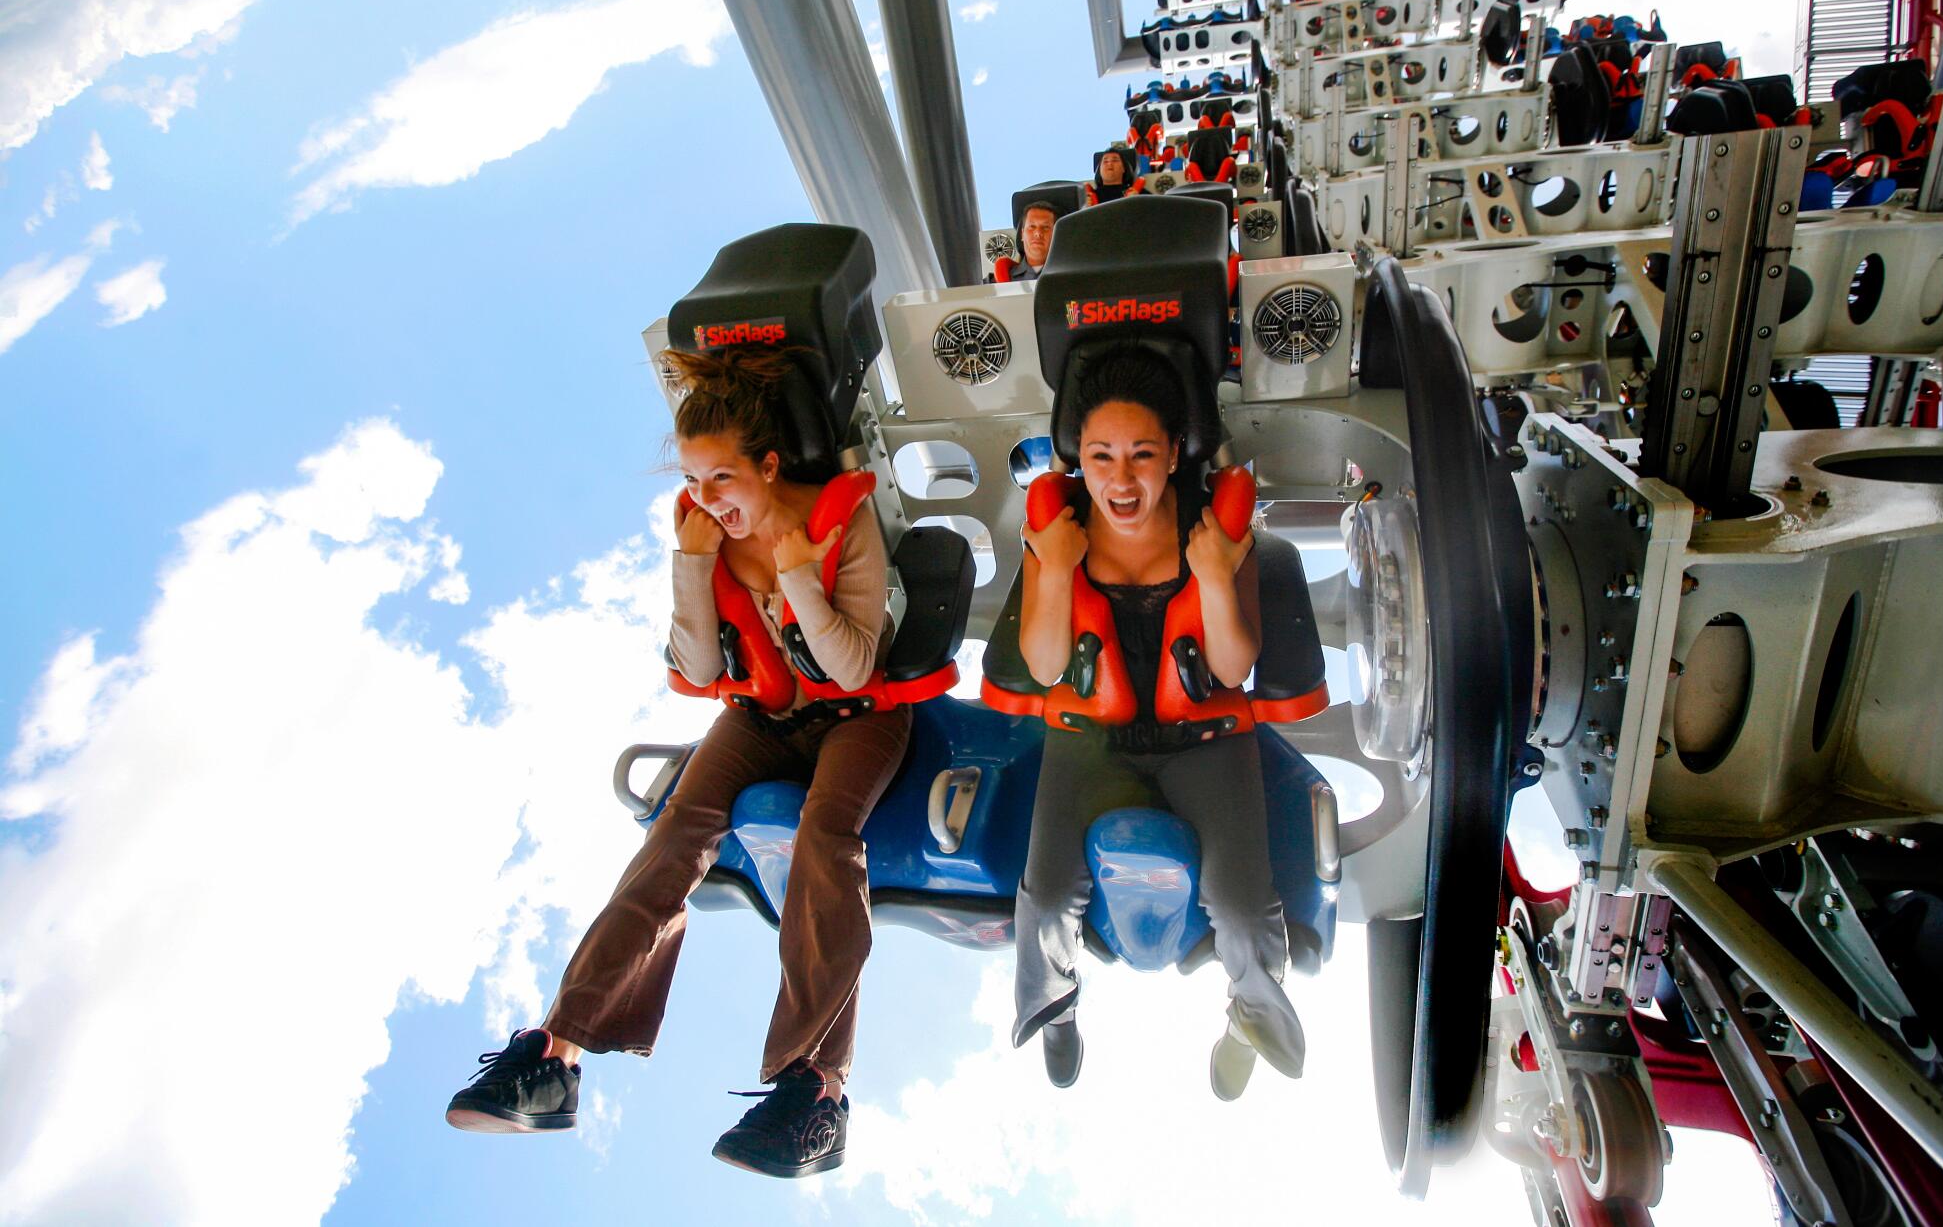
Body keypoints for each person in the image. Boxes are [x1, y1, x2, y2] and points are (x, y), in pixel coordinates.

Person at [445, 345, 908, 1179]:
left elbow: (852, 666)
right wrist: (692, 565)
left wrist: (801, 573)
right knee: (670, 840)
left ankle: (819, 1092)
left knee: (825, 839)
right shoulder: (708, 538)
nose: (707, 499)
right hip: (760, 716)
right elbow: (698, 671)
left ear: (767, 464)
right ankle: (558, 1053)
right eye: (693, 483)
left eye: (722, 479)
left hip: (859, 715)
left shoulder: (844, 523)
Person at [1008, 350, 1306, 1100]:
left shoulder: (1213, 522)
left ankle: (1251, 1018)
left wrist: (1212, 574)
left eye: (1143, 455)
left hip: (1200, 736)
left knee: (1241, 909)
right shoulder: (1061, 526)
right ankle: (1055, 1005)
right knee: (1043, 902)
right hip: (1091, 736)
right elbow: (1046, 664)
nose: (1121, 479)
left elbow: (1233, 666)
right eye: (1102, 457)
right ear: (1080, 458)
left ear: (1174, 452)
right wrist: (1050, 568)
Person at [1014, 202, 1058, 280]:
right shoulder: (997, 281)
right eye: (1032, 226)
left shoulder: (1073, 278)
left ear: (1056, 234)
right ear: (1022, 234)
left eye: (1045, 227)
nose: (1038, 233)